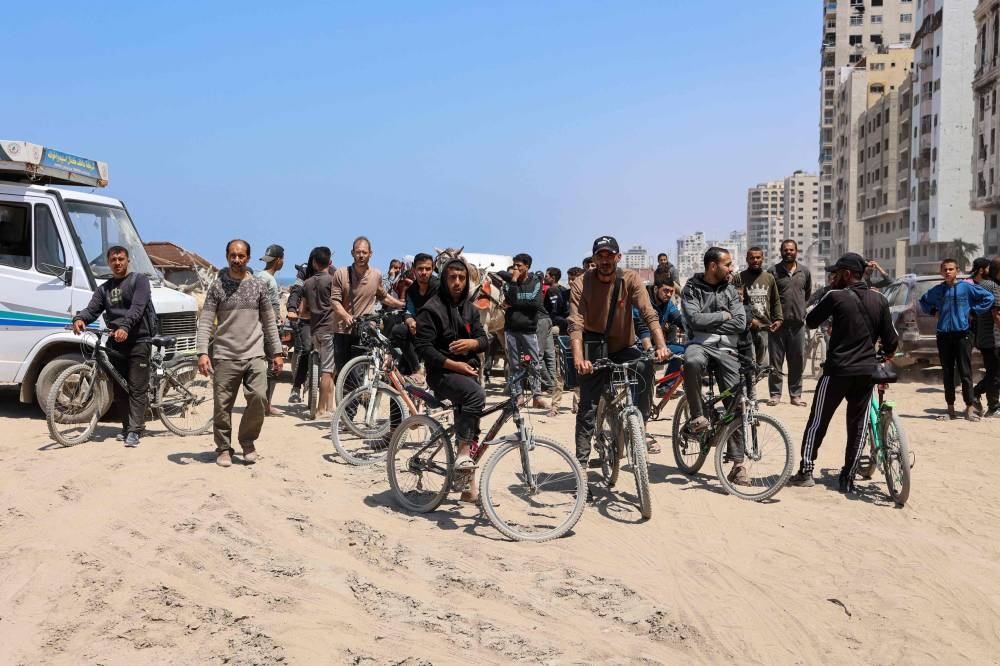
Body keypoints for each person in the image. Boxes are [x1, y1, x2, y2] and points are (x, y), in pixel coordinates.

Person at [788, 253, 899, 492]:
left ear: (847, 274)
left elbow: (810, 321)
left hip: (837, 370)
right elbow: (891, 340)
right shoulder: (879, 300)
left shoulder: (835, 296)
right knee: (858, 425)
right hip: (866, 373)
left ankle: (806, 470)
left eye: (837, 273)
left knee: (818, 420)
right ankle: (847, 478)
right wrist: (882, 355)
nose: (834, 277)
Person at [569, 236, 669, 493]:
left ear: (618, 257)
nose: (604, 260)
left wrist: (660, 345)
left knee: (645, 368)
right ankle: (581, 468)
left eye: (609, 255)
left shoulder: (631, 280)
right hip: (593, 344)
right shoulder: (582, 283)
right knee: (588, 407)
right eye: (599, 255)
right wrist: (579, 359)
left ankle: (640, 425)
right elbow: (576, 324)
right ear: (593, 259)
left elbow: (649, 314)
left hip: (623, 346)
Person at [196, 240, 283, 468]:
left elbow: (269, 322)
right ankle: (224, 448)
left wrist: (277, 352)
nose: (237, 260)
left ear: (248, 258)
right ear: (226, 256)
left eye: (241, 256)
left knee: (258, 397)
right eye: (233, 255)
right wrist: (202, 352)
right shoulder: (217, 287)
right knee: (222, 406)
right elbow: (206, 321)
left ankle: (247, 441)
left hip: (254, 353)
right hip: (225, 354)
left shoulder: (258, 286)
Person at [414, 257, 489, 503]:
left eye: (462, 278)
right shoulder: (431, 309)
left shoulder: (470, 309)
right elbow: (424, 349)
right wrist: (454, 363)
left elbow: (485, 339)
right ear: (444, 280)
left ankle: (468, 488)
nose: (457, 283)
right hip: (442, 373)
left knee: (472, 426)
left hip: (467, 372)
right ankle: (463, 456)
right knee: (476, 396)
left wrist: (473, 343)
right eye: (452, 277)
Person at [71, 245, 155, 448]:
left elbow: (137, 308)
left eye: (121, 259)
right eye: (113, 260)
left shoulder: (139, 281)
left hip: (139, 340)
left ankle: (135, 430)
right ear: (109, 263)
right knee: (119, 387)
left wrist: (125, 326)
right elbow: (93, 309)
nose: (117, 263)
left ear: (128, 261)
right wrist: (80, 318)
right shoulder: (104, 289)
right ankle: (127, 428)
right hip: (115, 343)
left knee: (136, 388)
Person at [679, 247, 750, 485]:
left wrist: (709, 323)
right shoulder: (691, 288)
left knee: (736, 401)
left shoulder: (730, 289)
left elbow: (741, 323)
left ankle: (738, 465)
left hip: (726, 349)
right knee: (691, 361)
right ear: (712, 266)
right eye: (727, 264)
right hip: (699, 345)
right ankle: (697, 416)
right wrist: (723, 316)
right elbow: (694, 320)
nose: (731, 269)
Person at [919, 258, 996, 421]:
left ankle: (968, 408)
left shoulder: (967, 288)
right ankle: (950, 409)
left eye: (951, 269)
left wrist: (974, 312)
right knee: (947, 373)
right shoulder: (937, 290)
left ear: (957, 271)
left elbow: (988, 298)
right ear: (941, 272)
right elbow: (923, 301)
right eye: (945, 269)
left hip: (963, 335)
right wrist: (934, 312)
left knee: (965, 372)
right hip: (944, 336)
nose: (948, 272)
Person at [330, 236, 405, 391]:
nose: (361, 255)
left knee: (356, 375)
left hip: (363, 332)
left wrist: (401, 305)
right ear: (352, 253)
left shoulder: (376, 275)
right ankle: (344, 409)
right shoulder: (341, 273)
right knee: (341, 374)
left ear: (371, 254)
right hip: (342, 331)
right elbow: (334, 301)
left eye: (364, 252)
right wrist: (346, 316)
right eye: (358, 252)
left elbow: (383, 296)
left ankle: (349, 412)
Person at [500, 253, 548, 409]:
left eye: (519, 266)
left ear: (527, 267)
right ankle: (518, 395)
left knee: (534, 363)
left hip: (528, 330)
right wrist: (513, 281)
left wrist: (513, 304)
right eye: (514, 265)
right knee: (514, 364)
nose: (516, 268)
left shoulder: (535, 283)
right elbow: (510, 299)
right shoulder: (509, 283)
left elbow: (535, 304)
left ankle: (537, 396)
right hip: (511, 330)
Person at [768, 239, 812, 407]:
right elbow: (769, 296)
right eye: (785, 250)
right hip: (777, 325)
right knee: (775, 362)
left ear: (796, 251)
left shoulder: (805, 272)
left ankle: (795, 395)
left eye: (791, 249)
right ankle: (775, 394)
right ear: (781, 251)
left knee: (797, 361)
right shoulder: (773, 271)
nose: (788, 252)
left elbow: (806, 294)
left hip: (798, 326)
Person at [299, 246, 336, 418]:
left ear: (314, 262)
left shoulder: (307, 283)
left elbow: (302, 311)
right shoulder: (332, 280)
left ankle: (330, 406)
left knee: (324, 368)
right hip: (330, 329)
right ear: (329, 262)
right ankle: (321, 409)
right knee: (327, 371)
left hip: (315, 331)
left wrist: (314, 313)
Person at [391, 252, 438, 379]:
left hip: (437, 337)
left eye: (428, 269)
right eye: (420, 269)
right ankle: (417, 369)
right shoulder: (411, 289)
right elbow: (408, 311)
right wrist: (410, 321)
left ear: (432, 269)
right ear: (414, 270)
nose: (424, 272)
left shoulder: (439, 288)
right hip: (417, 334)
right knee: (398, 331)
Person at [733, 247, 782, 366]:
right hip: (746, 327)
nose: (755, 260)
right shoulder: (739, 277)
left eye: (758, 257)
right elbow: (734, 303)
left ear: (762, 259)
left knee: (761, 357)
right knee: (749, 360)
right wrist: (749, 320)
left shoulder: (769, 278)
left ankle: (755, 372)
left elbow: (775, 300)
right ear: (747, 260)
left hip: (764, 325)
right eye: (752, 258)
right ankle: (750, 381)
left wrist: (779, 319)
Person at [256, 244, 284, 416]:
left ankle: (263, 403)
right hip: (268, 328)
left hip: (262, 327)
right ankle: (266, 405)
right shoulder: (268, 280)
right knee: (274, 364)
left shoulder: (260, 276)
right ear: (279, 261)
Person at [971, 257, 1000, 418]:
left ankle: (975, 392)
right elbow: (997, 315)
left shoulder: (987, 284)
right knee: (994, 373)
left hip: (987, 337)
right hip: (992, 339)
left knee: (994, 373)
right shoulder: (992, 286)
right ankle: (993, 407)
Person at [285, 257, 314, 404]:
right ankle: (296, 387)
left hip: (324, 322)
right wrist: (291, 308)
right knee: (304, 350)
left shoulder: (332, 274)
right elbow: (296, 291)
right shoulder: (303, 272)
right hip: (303, 319)